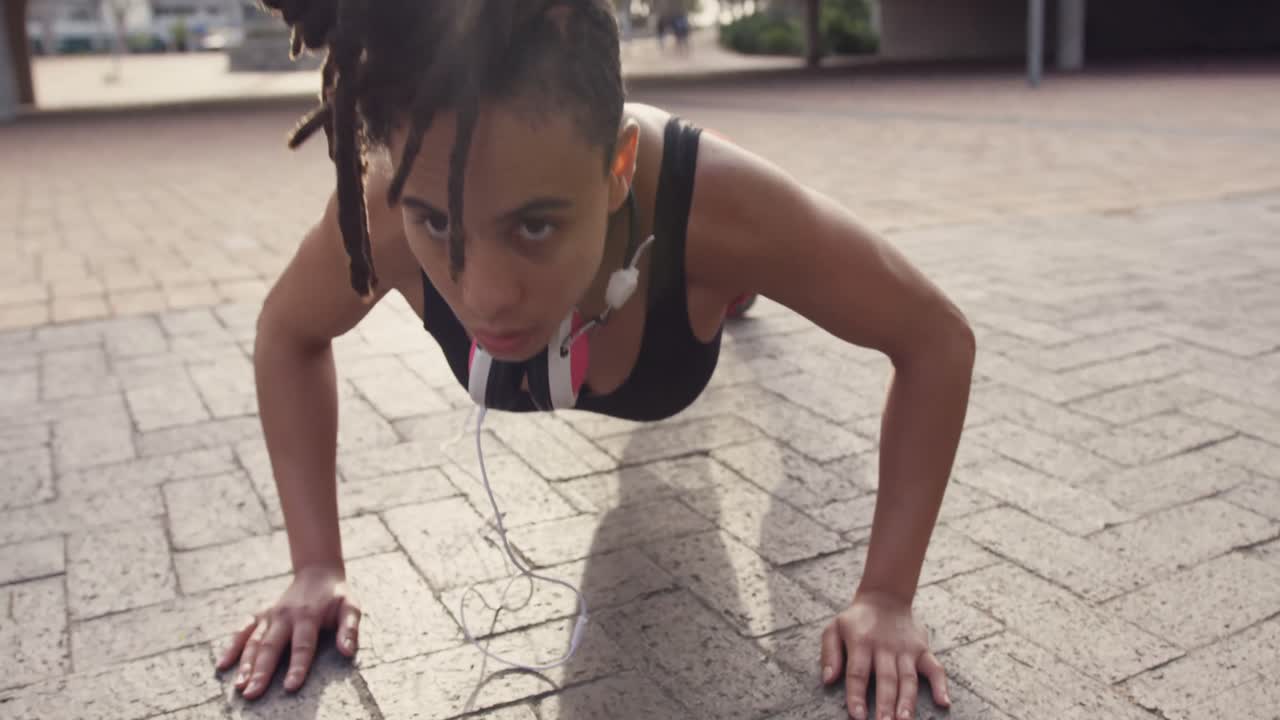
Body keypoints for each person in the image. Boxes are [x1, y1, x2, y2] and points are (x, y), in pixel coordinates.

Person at [214, 1, 975, 719]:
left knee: (722, 267)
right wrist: (315, 565)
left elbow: (936, 340)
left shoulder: (712, 206)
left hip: (689, 260)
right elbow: (288, 334)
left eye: (534, 226)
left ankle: (728, 289)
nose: (484, 297)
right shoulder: (382, 209)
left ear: (617, 169)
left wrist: (887, 596)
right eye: (439, 222)